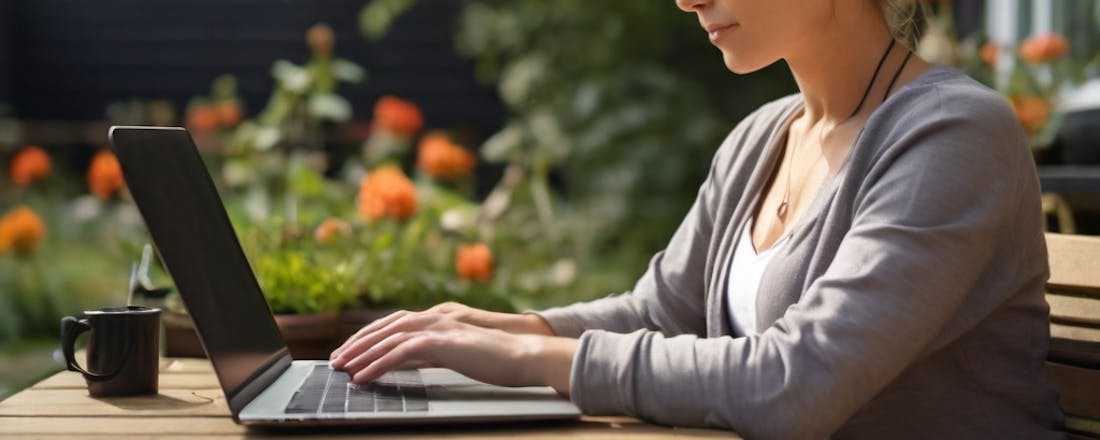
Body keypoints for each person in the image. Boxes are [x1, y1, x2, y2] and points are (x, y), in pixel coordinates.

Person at [329, 0, 1065, 437]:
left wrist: (528, 363)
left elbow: (798, 382)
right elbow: (662, 312)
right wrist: (498, 328)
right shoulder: (763, 136)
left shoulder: (954, 134)